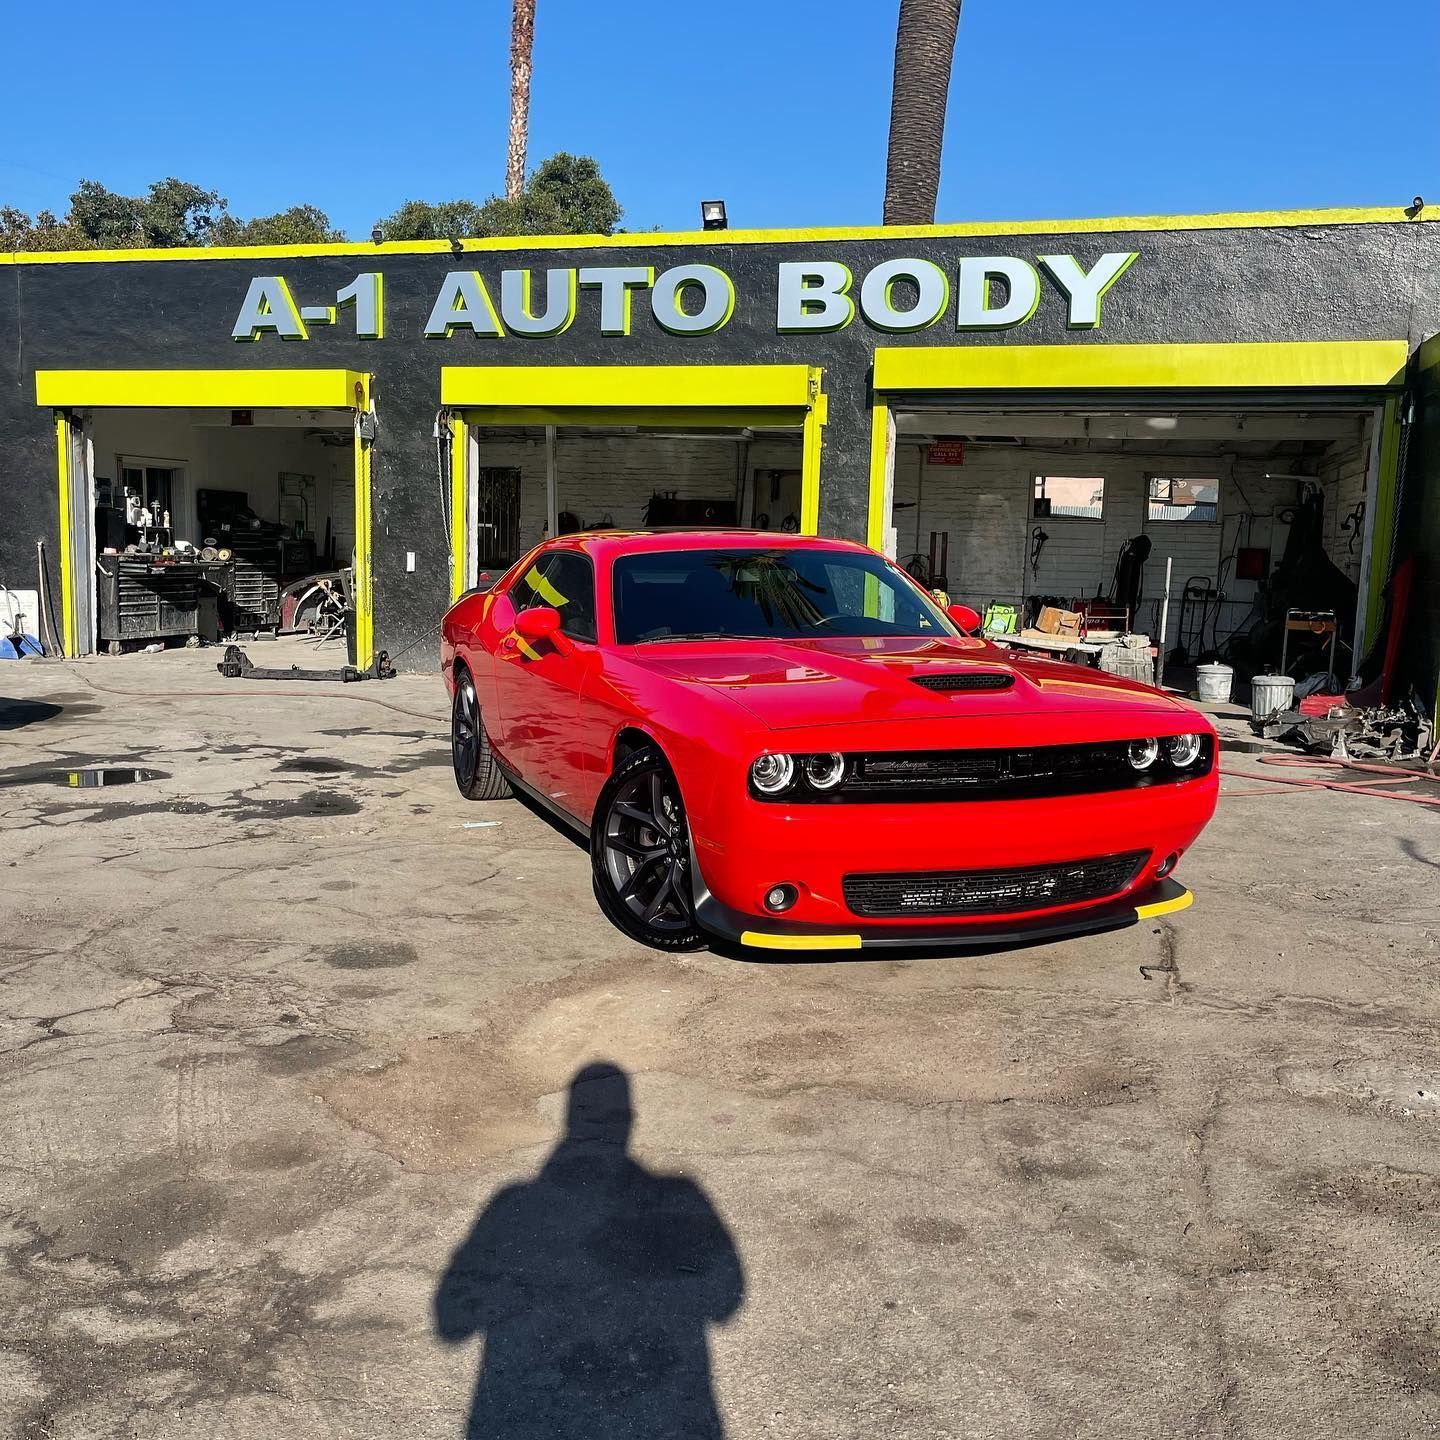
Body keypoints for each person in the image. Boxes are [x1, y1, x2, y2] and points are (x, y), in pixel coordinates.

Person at [434, 1062, 744, 1439]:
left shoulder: (515, 1205)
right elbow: (724, 1299)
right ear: (629, 1119)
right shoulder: (675, 1199)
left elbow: (453, 1319)